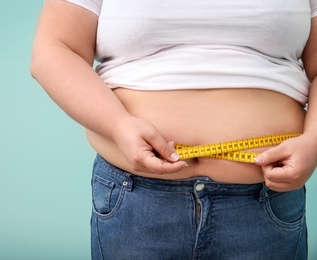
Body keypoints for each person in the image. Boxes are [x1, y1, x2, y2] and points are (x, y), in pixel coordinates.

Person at [31, 0, 317, 258]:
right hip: (135, 197)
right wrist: (119, 125)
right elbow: (55, 48)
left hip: (264, 199)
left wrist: (314, 141)